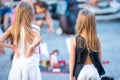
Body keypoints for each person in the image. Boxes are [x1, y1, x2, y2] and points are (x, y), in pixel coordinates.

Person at [0, 1, 42, 80]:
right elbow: (38, 40)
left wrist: (12, 47)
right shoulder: (34, 28)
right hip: (31, 64)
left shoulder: (13, 28)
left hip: (18, 63)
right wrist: (30, 48)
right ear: (31, 14)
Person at [69, 9, 101, 80]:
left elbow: (72, 60)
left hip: (81, 71)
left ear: (79, 22)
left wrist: (71, 75)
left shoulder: (74, 39)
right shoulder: (97, 38)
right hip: (94, 70)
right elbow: (99, 58)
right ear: (93, 23)